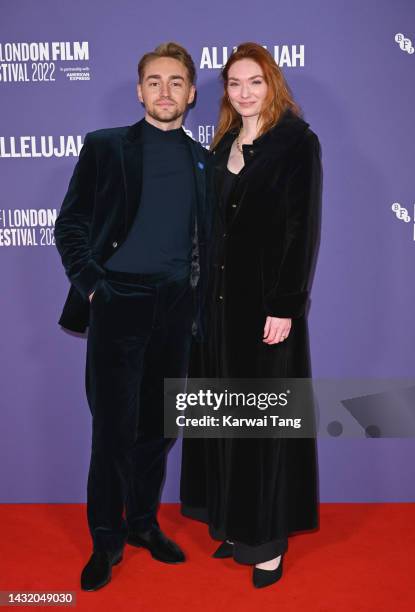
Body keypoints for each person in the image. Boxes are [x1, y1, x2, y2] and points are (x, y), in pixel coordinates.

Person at [55, 42, 211, 591]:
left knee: (159, 428)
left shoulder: (204, 162)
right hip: (118, 301)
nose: (165, 91)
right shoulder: (106, 147)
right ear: (139, 89)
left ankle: (143, 524)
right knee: (113, 430)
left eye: (176, 82)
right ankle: (106, 539)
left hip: (176, 308)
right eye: (154, 81)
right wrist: (96, 287)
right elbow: (69, 225)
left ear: (191, 94)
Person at [180, 42, 322, 588]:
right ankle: (235, 524)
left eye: (255, 82)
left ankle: (268, 542)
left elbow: (301, 229)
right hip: (215, 310)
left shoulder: (295, 144)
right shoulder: (221, 147)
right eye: (234, 83)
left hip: (264, 310)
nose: (244, 92)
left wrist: (285, 305)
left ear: (273, 84)